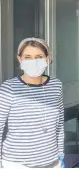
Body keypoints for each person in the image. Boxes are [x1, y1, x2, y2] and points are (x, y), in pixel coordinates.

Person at [0, 38, 64, 168]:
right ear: (20, 59)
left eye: (39, 56)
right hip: (17, 164)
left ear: (47, 58)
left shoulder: (56, 86)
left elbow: (60, 124)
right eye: (28, 57)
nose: (33, 61)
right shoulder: (9, 88)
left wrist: (60, 154)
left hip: (52, 162)